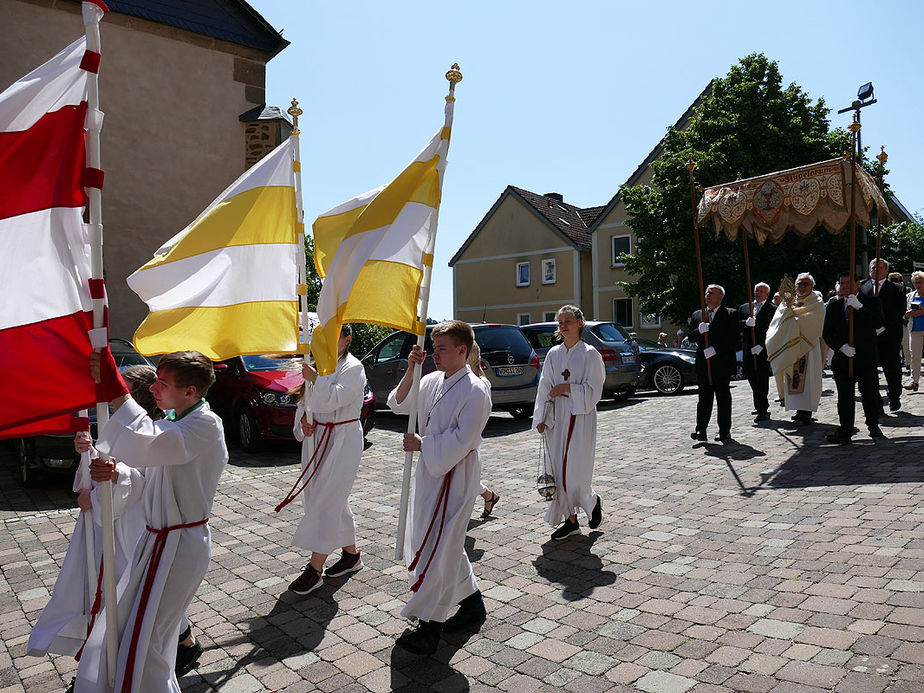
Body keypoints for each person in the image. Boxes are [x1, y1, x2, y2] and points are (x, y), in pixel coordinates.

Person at [72, 351, 227, 693]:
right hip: (158, 541)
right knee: (138, 633)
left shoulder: (204, 425)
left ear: (190, 391)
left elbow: (149, 443)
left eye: (163, 383)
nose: (155, 388)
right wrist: (116, 473)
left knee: (148, 638)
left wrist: (116, 392)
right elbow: (146, 477)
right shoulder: (177, 422)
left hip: (179, 544)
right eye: (156, 380)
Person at [388, 320, 492, 655]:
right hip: (430, 473)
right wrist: (411, 369)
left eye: (441, 348)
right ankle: (472, 602)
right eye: (434, 348)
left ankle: (431, 626)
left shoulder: (476, 390)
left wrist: (425, 445)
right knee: (439, 542)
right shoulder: (431, 379)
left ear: (463, 350)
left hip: (455, 476)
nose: (435, 354)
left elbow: (465, 438)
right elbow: (398, 404)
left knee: (439, 546)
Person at [285, 324, 367, 595]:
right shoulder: (317, 364)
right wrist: (305, 420)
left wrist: (316, 379)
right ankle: (352, 555)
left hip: (343, 440)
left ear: (347, 338)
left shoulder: (353, 367)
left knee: (328, 499)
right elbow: (304, 403)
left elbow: (334, 399)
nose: (327, 343)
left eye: (333, 337)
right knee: (328, 496)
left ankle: (315, 568)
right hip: (318, 438)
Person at [532, 305, 605, 541]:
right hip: (557, 417)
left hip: (580, 417)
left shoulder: (590, 353)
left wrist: (569, 389)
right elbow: (544, 387)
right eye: (560, 322)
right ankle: (570, 520)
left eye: (568, 321)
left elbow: (594, 390)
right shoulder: (553, 354)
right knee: (557, 470)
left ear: (579, 323)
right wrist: (541, 418)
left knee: (574, 470)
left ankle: (591, 500)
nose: (563, 326)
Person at [824, 271, 885, 444]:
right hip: (844, 358)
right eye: (841, 283)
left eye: (847, 283)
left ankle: (873, 425)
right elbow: (827, 333)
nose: (844, 286)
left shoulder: (871, 301)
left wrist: (860, 307)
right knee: (845, 397)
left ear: (857, 284)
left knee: (870, 394)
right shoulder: (834, 306)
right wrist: (840, 347)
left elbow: (878, 322)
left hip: (865, 357)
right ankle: (845, 430)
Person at [765, 273, 825, 425]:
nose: (802, 287)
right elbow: (778, 320)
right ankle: (799, 409)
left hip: (808, 345)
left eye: (805, 284)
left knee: (809, 379)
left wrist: (794, 320)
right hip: (791, 344)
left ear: (812, 286)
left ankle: (807, 411)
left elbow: (815, 321)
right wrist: (789, 317)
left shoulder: (816, 302)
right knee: (793, 377)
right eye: (799, 284)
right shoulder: (788, 301)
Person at [688, 284, 737, 442]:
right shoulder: (697, 315)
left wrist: (716, 350)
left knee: (723, 398)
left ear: (720, 297)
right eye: (707, 292)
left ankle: (724, 431)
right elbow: (690, 337)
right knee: (704, 399)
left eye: (712, 292)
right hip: (704, 364)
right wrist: (699, 331)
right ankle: (701, 429)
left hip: (722, 364)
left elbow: (733, 338)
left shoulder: (730, 314)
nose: (708, 294)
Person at [860, 259, 905, 412]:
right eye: (873, 267)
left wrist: (883, 327)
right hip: (868, 335)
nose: (875, 270)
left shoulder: (897, 289)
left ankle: (894, 396)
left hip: (890, 335)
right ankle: (876, 401)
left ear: (886, 270)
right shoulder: (861, 287)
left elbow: (898, 312)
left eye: (879, 267)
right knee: (869, 369)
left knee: (892, 368)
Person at [469, 341, 500, 519]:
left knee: (468, 480)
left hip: (472, 437)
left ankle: (489, 496)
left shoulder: (481, 382)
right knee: (468, 480)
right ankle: (490, 496)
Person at [739, 282, 774, 422]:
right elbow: (737, 325)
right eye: (756, 290)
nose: (757, 293)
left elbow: (774, 330)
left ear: (767, 294)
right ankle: (758, 403)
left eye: (761, 291)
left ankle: (763, 408)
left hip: (762, 350)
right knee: (751, 377)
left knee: (761, 379)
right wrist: (745, 323)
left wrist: (762, 346)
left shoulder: (773, 309)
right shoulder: (745, 307)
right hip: (748, 349)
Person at [904, 271, 924, 392]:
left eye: (920, 282)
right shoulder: (910, 296)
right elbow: (904, 314)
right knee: (915, 356)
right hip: (915, 329)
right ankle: (914, 381)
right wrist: (909, 314)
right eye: (916, 283)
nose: (918, 285)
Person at [890, 271, 912, 371]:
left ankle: (908, 362)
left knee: (906, 343)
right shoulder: (889, 290)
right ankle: (900, 361)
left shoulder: (906, 290)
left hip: (904, 320)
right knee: (897, 343)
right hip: (895, 321)